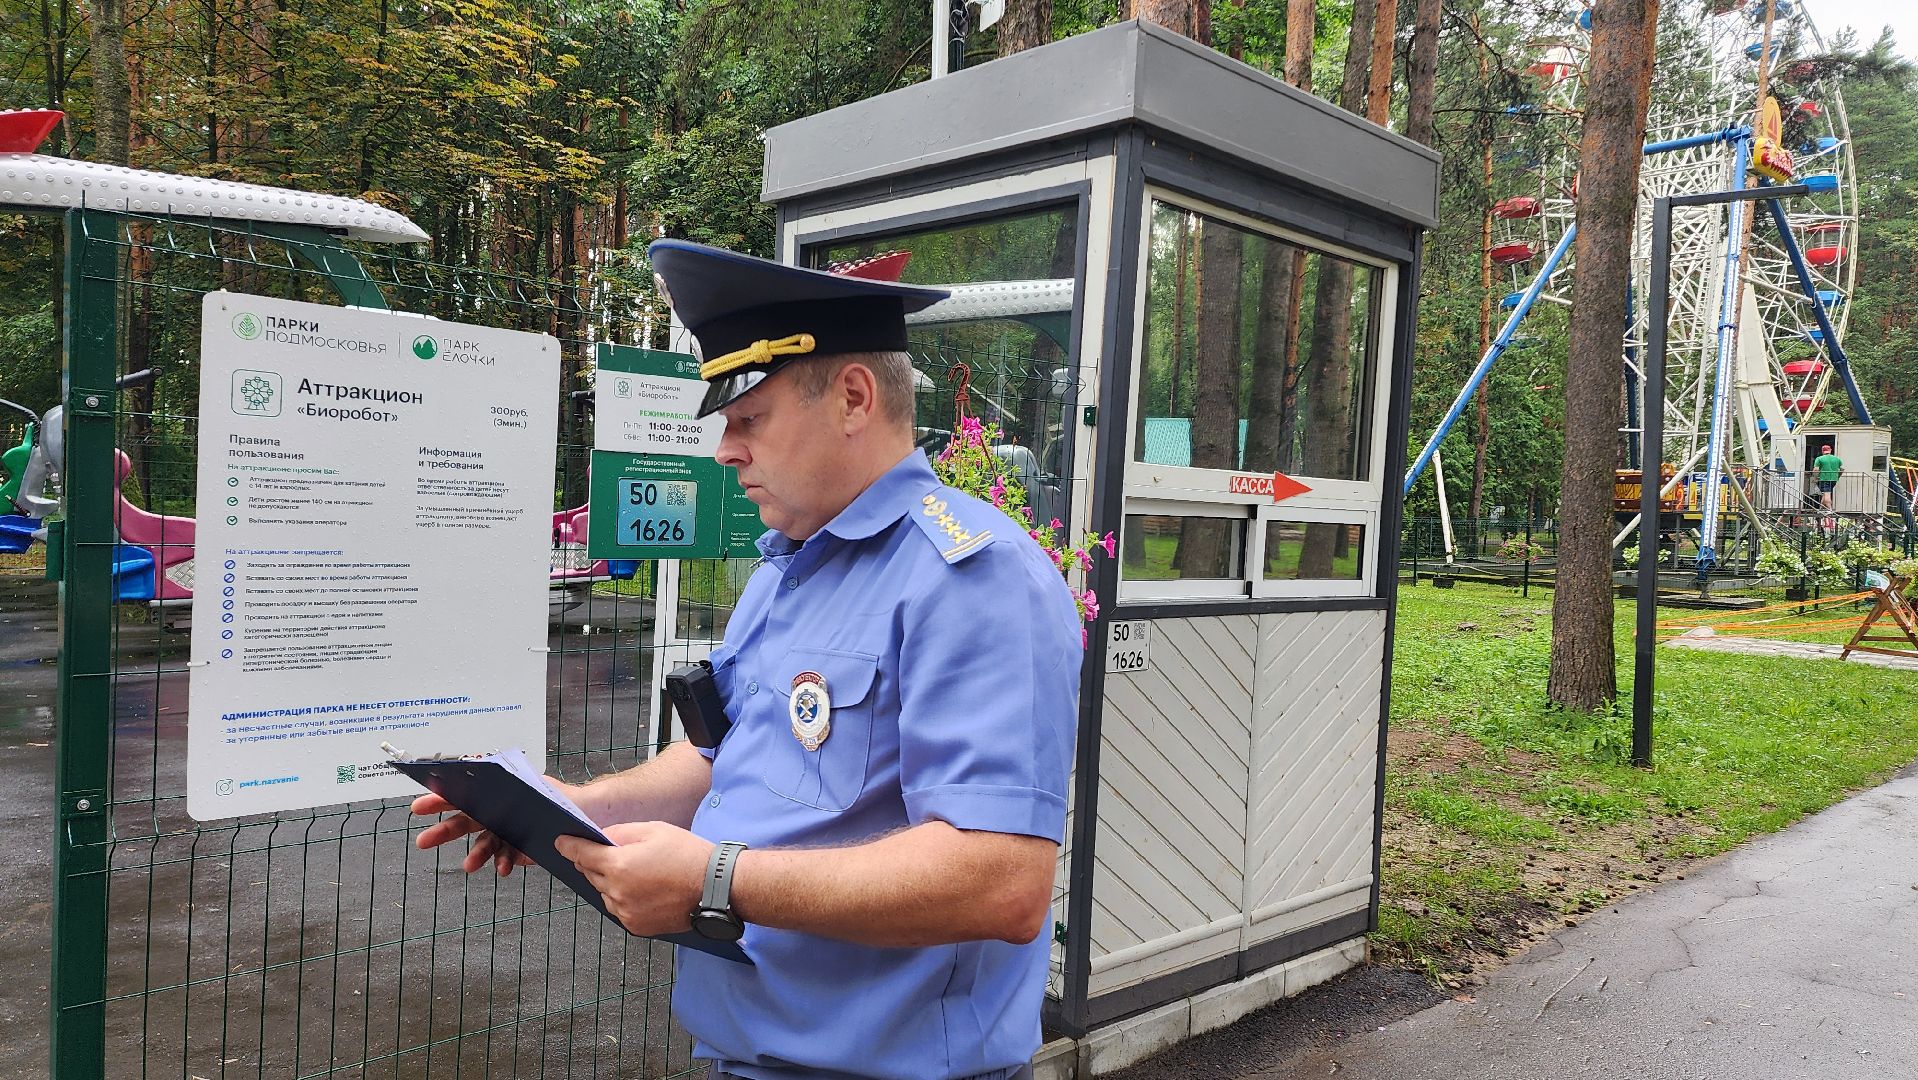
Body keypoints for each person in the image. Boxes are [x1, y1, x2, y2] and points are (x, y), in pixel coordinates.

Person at [411, 239, 1083, 1080]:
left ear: (852, 397)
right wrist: (563, 807)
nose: (725, 451)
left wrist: (715, 879)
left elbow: (1002, 881)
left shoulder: (976, 580)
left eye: (747, 418)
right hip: (743, 1056)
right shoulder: (786, 570)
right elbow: (718, 760)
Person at [1814, 442, 1843, 510]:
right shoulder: (1837, 459)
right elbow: (1842, 469)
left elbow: (1816, 469)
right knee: (1825, 493)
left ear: (1822, 451)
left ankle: (1830, 509)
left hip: (1824, 479)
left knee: (1827, 494)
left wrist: (1815, 477)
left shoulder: (1819, 458)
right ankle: (1821, 508)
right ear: (1830, 450)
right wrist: (1838, 476)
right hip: (1834, 479)